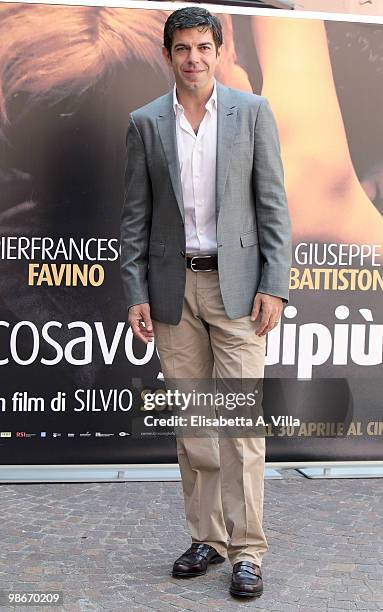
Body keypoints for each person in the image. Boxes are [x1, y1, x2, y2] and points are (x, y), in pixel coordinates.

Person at [120, 6, 291, 599]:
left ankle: (248, 550)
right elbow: (135, 219)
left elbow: (273, 207)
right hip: (174, 290)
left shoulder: (252, 113)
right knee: (194, 425)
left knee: (241, 424)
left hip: (240, 289)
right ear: (167, 55)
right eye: (182, 49)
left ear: (218, 51)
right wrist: (136, 291)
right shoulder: (145, 122)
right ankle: (208, 538)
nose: (193, 58)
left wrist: (275, 284)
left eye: (203, 47)